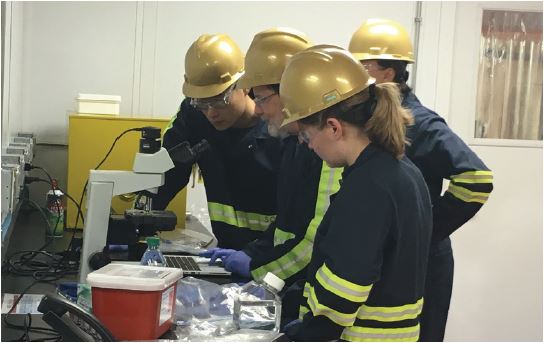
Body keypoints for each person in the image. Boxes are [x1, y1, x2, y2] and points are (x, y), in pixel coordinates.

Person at [348, 18, 494, 341]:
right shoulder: (371, 122)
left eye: (363, 65)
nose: (355, 75)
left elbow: (477, 178)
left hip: (424, 263)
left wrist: (425, 229)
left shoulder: (419, 123)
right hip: (390, 259)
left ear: (388, 72)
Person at [280, 45, 433, 341]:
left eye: (307, 136)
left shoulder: (368, 187)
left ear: (334, 127)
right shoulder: (401, 171)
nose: (308, 146)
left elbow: (342, 293)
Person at [200, 28, 343, 290]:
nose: (259, 109)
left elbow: (314, 241)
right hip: (292, 286)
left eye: (263, 98)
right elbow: (286, 225)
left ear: (292, 92)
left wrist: (257, 270)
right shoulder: (293, 143)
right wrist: (252, 253)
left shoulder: (328, 153)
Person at [153, 33, 281, 250]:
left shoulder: (279, 131)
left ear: (244, 85)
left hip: (274, 256)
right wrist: (139, 219)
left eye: (219, 101)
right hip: (226, 254)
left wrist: (256, 256)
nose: (211, 113)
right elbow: (166, 173)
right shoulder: (193, 115)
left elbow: (297, 213)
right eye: (202, 103)